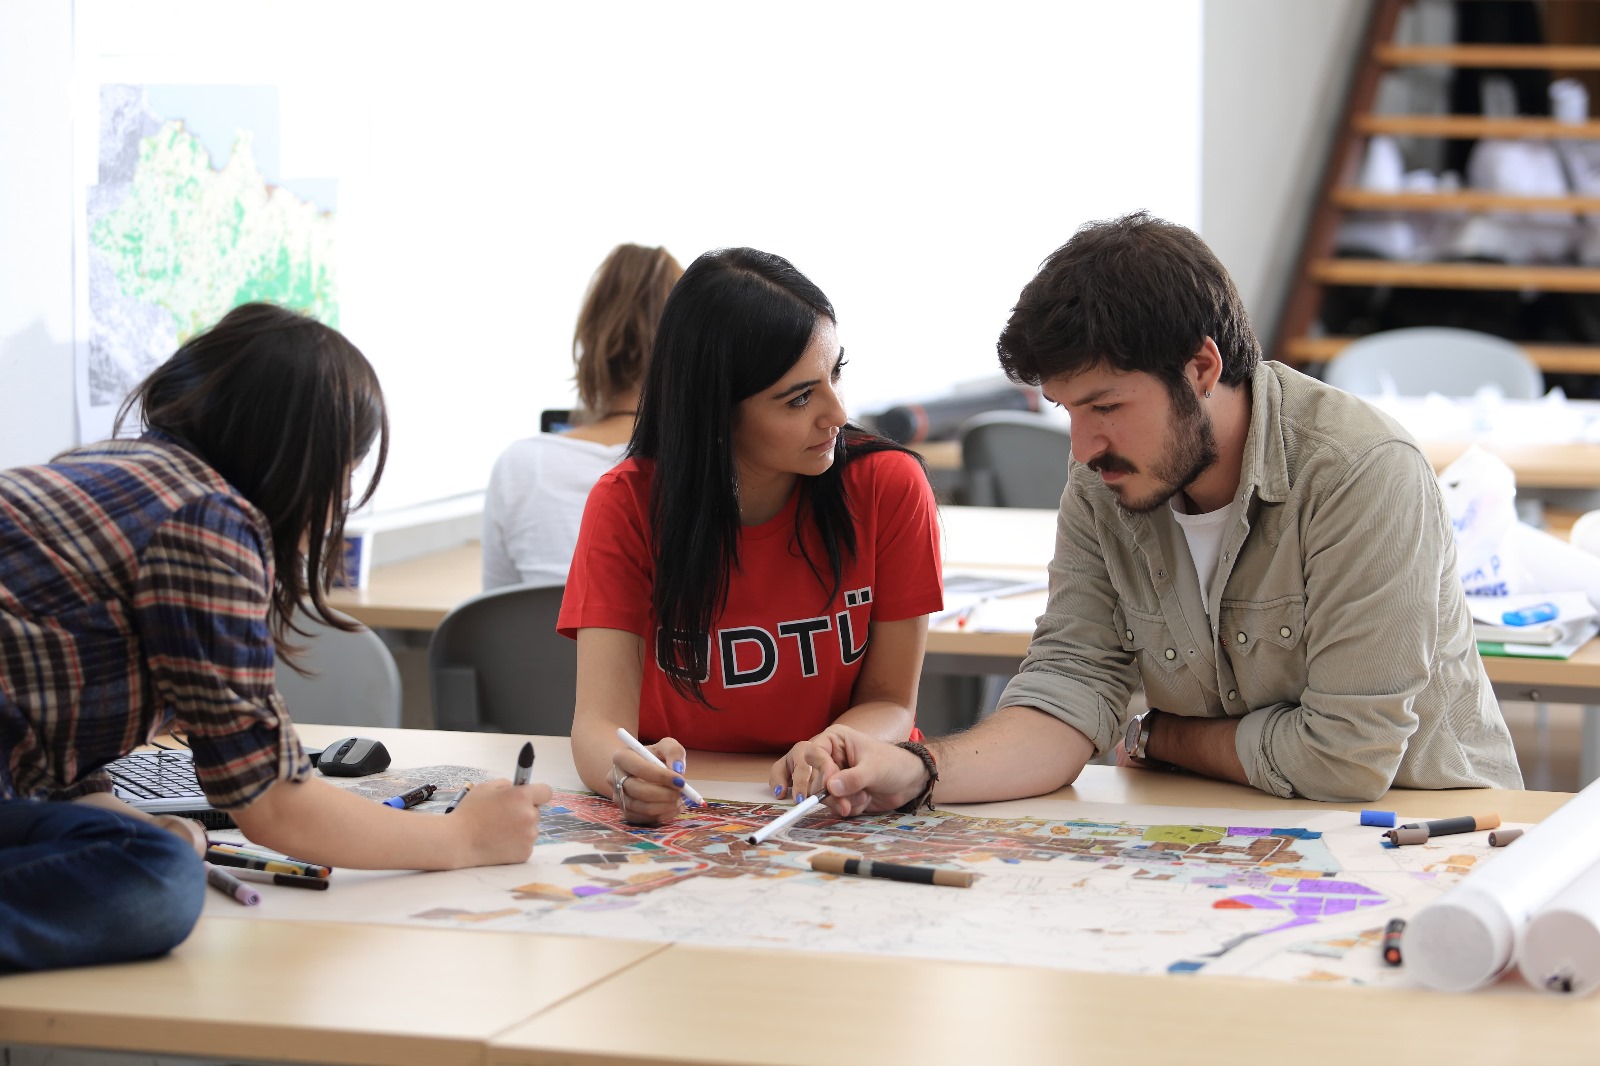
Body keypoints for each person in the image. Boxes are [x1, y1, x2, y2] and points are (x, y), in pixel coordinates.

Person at [805, 212, 1523, 815]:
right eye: (1068, 411)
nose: (1083, 447)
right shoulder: (1107, 478)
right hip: (1224, 829)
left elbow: (1347, 760)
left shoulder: (1361, 472)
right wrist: (919, 771)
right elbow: (1069, 687)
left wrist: (1161, 738)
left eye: (1106, 406)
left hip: (1423, 835)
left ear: (1202, 369)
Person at [0, 303, 552, 973]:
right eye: (346, 473)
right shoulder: (208, 517)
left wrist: (105, 810)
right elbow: (271, 804)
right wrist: (460, 837)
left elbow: (40, 710)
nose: (341, 498)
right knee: (161, 880)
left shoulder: (115, 469)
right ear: (304, 461)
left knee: (145, 845)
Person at [558, 247, 943, 824]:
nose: (837, 413)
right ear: (715, 414)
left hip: (844, 800)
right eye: (799, 398)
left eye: (834, 374)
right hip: (696, 808)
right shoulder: (629, 503)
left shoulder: (888, 484)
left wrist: (836, 745)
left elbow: (891, 700)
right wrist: (626, 770)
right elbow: (596, 723)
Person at [482, 243, 684, 589]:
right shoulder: (706, 460)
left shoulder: (520, 466)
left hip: (542, 645)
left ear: (590, 339)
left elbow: (497, 610)